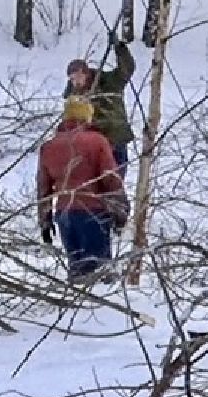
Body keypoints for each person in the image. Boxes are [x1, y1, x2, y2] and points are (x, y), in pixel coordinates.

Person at [37, 97, 128, 284]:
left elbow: (43, 187)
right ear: (87, 116)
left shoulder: (49, 146)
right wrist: (121, 210)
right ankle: (100, 308)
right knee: (100, 271)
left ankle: (75, 305)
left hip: (64, 214)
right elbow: (110, 179)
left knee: (77, 268)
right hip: (93, 211)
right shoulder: (97, 141)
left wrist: (45, 221)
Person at [63, 34, 136, 170]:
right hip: (91, 145)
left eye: (79, 76)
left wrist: (119, 48)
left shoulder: (108, 82)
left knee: (116, 179)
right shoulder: (73, 96)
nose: (76, 81)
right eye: (72, 79)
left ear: (86, 73)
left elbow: (127, 69)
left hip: (114, 139)